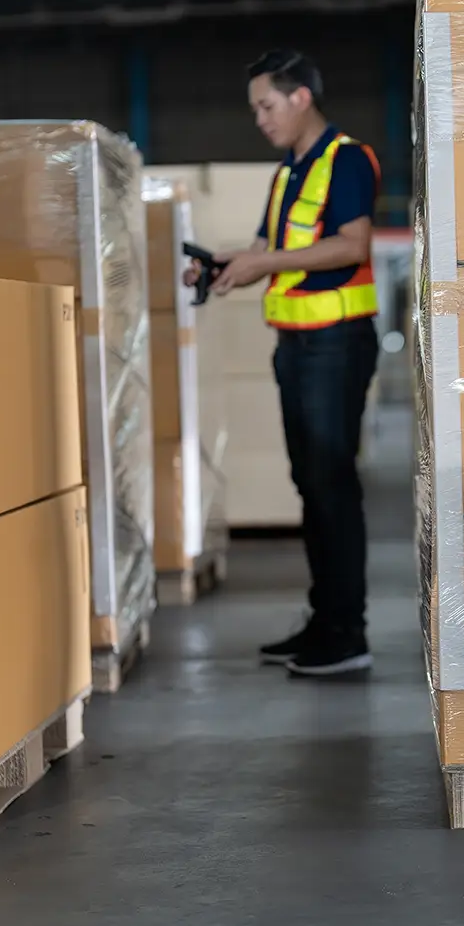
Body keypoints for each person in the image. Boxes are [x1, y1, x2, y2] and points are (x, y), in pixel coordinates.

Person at [187, 48, 380, 678]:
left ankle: (348, 635)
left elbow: (351, 246)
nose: (260, 120)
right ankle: (325, 621)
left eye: (266, 106)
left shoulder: (345, 159)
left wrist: (262, 264)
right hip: (296, 349)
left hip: (336, 345)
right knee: (310, 488)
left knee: (332, 490)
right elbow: (272, 251)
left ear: (301, 98)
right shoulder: (286, 173)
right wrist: (223, 266)